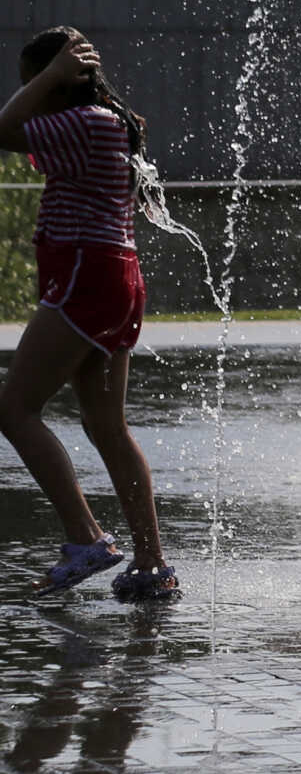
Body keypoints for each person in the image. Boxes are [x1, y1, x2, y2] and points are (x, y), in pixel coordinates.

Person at [0, 30, 177, 601]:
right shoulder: (102, 121)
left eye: (33, 83)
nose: (28, 95)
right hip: (112, 276)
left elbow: (2, 129)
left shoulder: (83, 119)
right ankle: (151, 564)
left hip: (86, 274)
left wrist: (50, 77)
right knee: (105, 426)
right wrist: (52, 79)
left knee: (13, 408)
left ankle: (85, 536)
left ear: (55, 80)